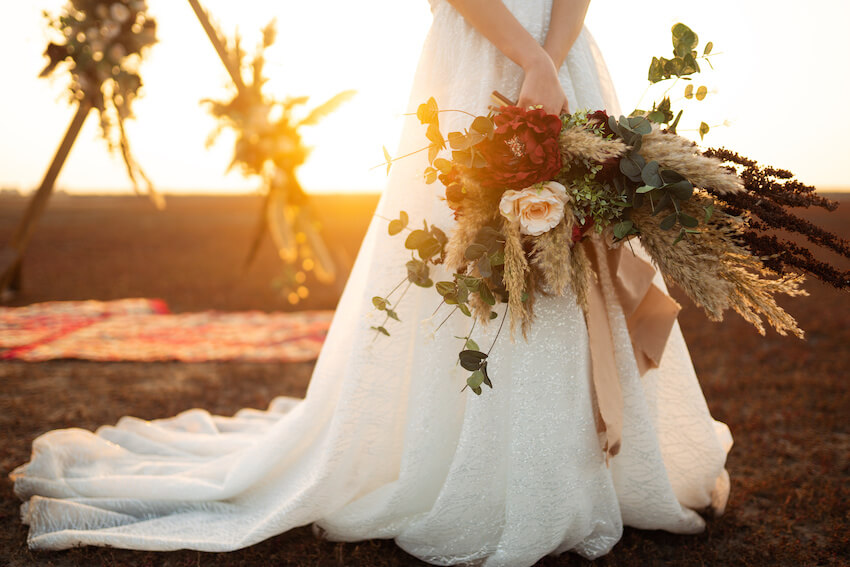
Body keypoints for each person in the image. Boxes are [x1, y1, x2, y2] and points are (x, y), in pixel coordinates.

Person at [11, 1, 732, 564]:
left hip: (562, 56)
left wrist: (551, 60)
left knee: (581, 258)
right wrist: (526, 56)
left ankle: (586, 470)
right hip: (485, 54)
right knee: (477, 260)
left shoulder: (557, 56)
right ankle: (479, 473)